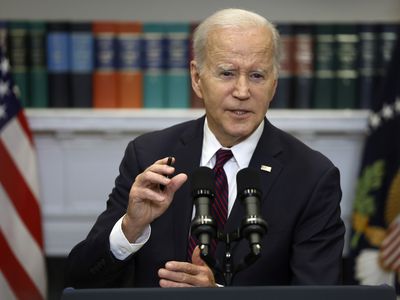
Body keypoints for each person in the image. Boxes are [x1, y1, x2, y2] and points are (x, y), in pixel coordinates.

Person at [65, 8, 345, 288]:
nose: (242, 91)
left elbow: (318, 294)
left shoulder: (312, 177)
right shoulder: (149, 156)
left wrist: (217, 296)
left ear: (274, 84)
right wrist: (129, 229)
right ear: (197, 79)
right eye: (227, 73)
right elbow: (80, 282)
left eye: (257, 76)